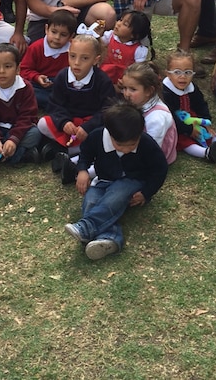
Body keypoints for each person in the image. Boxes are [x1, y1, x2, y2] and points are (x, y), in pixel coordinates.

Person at [65, 102, 168, 260]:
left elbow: (160, 169)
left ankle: (87, 227)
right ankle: (110, 239)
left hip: (133, 182)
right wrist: (83, 170)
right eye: (120, 145)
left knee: (116, 195)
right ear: (109, 134)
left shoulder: (147, 143)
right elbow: (85, 153)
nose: (126, 149)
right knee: (91, 201)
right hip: (103, 180)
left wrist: (146, 193)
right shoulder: (97, 136)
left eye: (132, 145)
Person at [38, 34, 116, 169]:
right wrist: (64, 122)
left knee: (106, 133)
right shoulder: (62, 76)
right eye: (73, 56)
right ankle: (72, 150)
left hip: (89, 123)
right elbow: (55, 104)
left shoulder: (102, 81)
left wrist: (88, 127)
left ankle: (64, 151)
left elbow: (108, 110)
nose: (77, 62)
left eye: (84, 58)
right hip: (70, 123)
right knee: (42, 123)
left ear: (95, 60)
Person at [161, 50, 216, 163]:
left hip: (192, 118)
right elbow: (170, 117)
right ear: (168, 74)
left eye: (188, 72)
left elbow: (201, 104)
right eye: (177, 72)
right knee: (184, 140)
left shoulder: (192, 87)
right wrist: (189, 130)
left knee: (206, 131)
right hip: (175, 124)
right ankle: (206, 153)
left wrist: (206, 120)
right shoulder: (165, 93)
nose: (182, 77)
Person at [19, 9, 77, 111]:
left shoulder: (73, 50)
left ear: (71, 36)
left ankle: (56, 103)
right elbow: (24, 70)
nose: (57, 37)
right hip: (39, 84)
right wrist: (37, 77)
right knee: (25, 89)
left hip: (62, 84)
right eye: (54, 32)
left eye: (63, 35)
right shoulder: (36, 47)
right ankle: (56, 104)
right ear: (46, 29)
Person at [119, 63, 178, 164]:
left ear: (149, 91)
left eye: (133, 89)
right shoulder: (139, 101)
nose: (127, 94)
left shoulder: (156, 118)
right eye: (124, 88)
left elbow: (151, 149)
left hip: (153, 157)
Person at [100, 10, 153, 87]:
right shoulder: (110, 36)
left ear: (134, 35)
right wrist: (98, 34)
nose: (118, 24)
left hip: (124, 78)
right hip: (105, 72)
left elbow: (139, 69)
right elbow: (97, 46)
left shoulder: (138, 50)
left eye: (125, 24)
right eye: (120, 20)